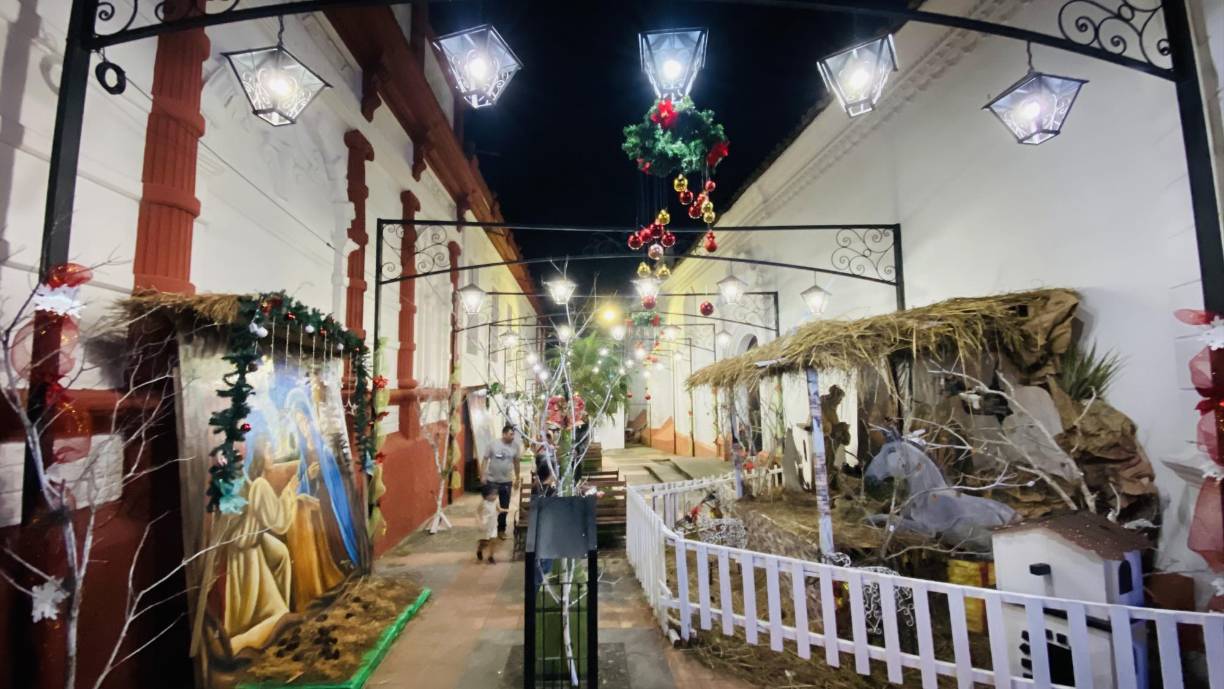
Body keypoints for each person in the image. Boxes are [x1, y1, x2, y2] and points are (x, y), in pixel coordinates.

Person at [480, 424, 521, 539]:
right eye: (510, 434)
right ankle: (490, 529)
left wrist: (517, 478)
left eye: (513, 434)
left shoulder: (515, 447)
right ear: (504, 434)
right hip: (492, 481)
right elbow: (485, 459)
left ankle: (501, 530)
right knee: (490, 506)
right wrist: (482, 475)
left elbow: (516, 463)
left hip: (506, 481)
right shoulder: (492, 444)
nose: (512, 437)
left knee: (504, 506)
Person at [475, 483, 508, 564]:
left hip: (493, 525)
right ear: (486, 495)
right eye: (492, 494)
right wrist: (479, 522)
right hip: (485, 526)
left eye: (496, 494)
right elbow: (477, 512)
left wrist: (504, 510)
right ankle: (479, 550)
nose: (495, 496)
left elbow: (498, 509)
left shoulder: (496, 501)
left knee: (493, 541)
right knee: (484, 543)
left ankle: (491, 556)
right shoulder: (483, 503)